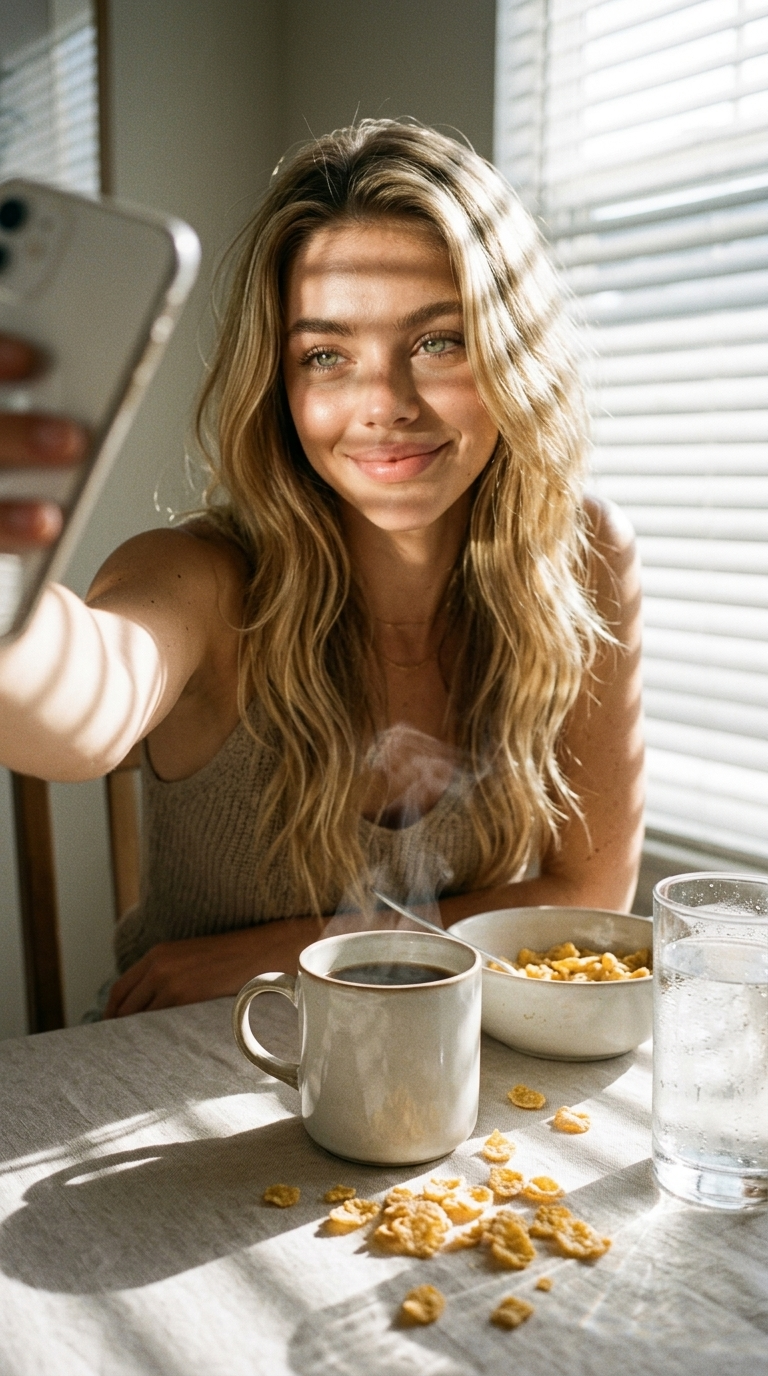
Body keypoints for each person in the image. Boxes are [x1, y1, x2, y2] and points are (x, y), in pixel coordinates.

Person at [0, 121, 644, 1018]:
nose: (385, 404)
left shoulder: (582, 558)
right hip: (170, 1081)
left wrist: (291, 950)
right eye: (326, 356)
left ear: (514, 356)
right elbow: (82, 709)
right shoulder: (201, 579)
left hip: (448, 1082)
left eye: (438, 341)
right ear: (281, 383)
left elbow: (591, 893)